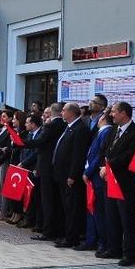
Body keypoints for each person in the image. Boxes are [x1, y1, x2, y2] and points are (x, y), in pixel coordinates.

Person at [100, 101, 135, 266]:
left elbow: (128, 155)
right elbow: (104, 150)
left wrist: (109, 165)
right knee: (111, 216)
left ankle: (129, 253)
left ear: (123, 113)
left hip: (124, 182)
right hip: (109, 180)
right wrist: (103, 166)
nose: (111, 115)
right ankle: (114, 247)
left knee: (126, 218)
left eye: (114, 112)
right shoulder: (113, 130)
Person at [20, 103, 65, 242]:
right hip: (54, 167)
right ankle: (55, 229)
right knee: (55, 201)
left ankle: (48, 230)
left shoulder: (51, 126)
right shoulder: (63, 125)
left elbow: (39, 142)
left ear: (51, 114)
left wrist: (21, 142)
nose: (44, 117)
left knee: (47, 201)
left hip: (46, 167)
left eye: (46, 114)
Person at [51, 102, 91, 249]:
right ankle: (66, 234)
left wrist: (73, 175)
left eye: (63, 110)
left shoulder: (80, 128)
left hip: (70, 176)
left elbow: (78, 155)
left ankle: (72, 237)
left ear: (71, 113)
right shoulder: (69, 127)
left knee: (72, 208)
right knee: (66, 207)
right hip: (61, 174)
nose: (61, 113)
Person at [81, 111, 114, 253]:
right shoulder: (100, 132)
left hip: (97, 177)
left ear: (103, 118)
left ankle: (102, 241)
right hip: (92, 176)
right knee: (93, 210)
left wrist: (88, 172)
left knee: (99, 212)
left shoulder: (106, 132)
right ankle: (92, 239)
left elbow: (99, 156)